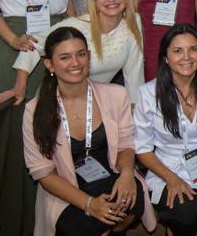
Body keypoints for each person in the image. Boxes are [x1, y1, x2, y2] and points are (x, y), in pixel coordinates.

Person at [21, 26, 154, 236]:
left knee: (131, 200)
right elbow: (43, 173)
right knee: (86, 225)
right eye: (65, 57)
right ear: (50, 64)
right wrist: (89, 204)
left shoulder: (116, 95)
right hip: (67, 188)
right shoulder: (34, 111)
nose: (75, 63)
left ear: (89, 57)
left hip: (111, 174)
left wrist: (127, 174)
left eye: (81, 54)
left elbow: (126, 144)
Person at [134, 25, 197, 236]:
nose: (187, 57)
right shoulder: (148, 94)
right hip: (167, 166)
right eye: (177, 51)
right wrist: (171, 178)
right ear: (165, 57)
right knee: (185, 216)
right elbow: (142, 149)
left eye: (193, 49)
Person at [0, 0, 145, 106]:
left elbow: (134, 72)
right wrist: (20, 86)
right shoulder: (77, 25)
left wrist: (135, 110)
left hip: (96, 102)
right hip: (57, 102)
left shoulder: (133, 23)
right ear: (94, 1)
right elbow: (33, 44)